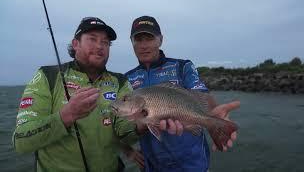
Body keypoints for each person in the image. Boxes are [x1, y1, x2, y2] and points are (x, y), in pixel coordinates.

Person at [12, 17, 141, 172]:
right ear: (75, 44)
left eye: (105, 42)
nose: (100, 46)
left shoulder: (120, 81)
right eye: (92, 39)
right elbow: (21, 141)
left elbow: (125, 133)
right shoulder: (48, 76)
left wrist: (142, 126)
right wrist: (66, 116)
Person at [125, 16, 240, 172]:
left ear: (160, 40)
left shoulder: (182, 66)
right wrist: (128, 150)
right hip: (152, 166)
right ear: (132, 42)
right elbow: (117, 126)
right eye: (138, 39)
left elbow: (201, 93)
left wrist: (213, 115)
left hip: (192, 165)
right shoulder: (126, 79)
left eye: (149, 38)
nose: (144, 45)